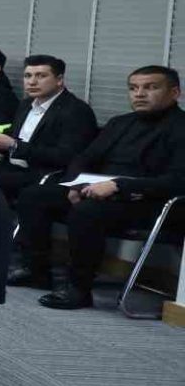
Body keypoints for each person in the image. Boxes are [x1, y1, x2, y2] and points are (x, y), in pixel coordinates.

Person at [13, 65, 185, 309]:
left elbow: (177, 180)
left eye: (150, 87)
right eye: (133, 88)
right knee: (34, 195)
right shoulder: (120, 123)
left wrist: (118, 185)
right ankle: (36, 270)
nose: (139, 94)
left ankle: (78, 288)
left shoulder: (180, 128)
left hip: (149, 201)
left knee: (87, 212)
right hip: (99, 191)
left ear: (174, 93)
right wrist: (76, 184)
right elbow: (84, 158)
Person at [0, 55, 98, 204]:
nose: (32, 82)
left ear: (59, 80)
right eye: (28, 76)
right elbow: (17, 136)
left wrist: (14, 146)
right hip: (11, 165)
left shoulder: (76, 110)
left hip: (43, 173)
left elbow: (67, 156)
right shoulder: (26, 104)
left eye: (41, 76)